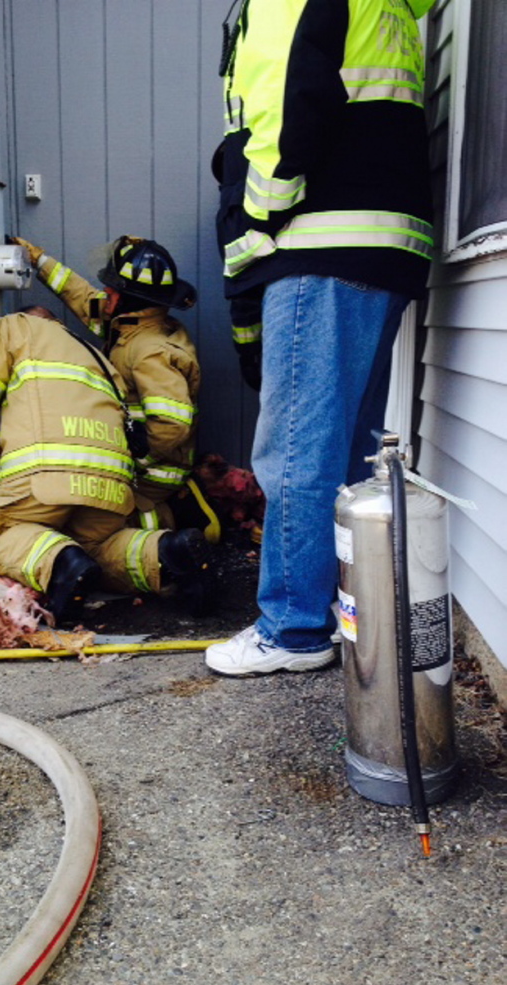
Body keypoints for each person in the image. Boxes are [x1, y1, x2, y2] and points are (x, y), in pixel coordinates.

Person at [205, 0, 435, 675]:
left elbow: (286, 101)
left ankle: (290, 628)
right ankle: (343, 611)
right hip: (381, 241)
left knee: (297, 451)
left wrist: (258, 210)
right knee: (346, 454)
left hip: (319, 238)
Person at [0, 306, 212, 622]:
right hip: (112, 485)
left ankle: (59, 562)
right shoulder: (101, 358)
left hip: (45, 474)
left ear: (31, 316)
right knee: (97, 549)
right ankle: (166, 553)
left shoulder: (14, 326)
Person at [9, 234, 221, 542]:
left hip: (153, 474)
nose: (105, 293)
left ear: (131, 298)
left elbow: (172, 426)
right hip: (144, 460)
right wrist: (39, 261)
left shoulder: (150, 351)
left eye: (114, 289)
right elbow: (82, 297)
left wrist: (133, 461)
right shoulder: (131, 324)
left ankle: (169, 530)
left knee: (94, 532)